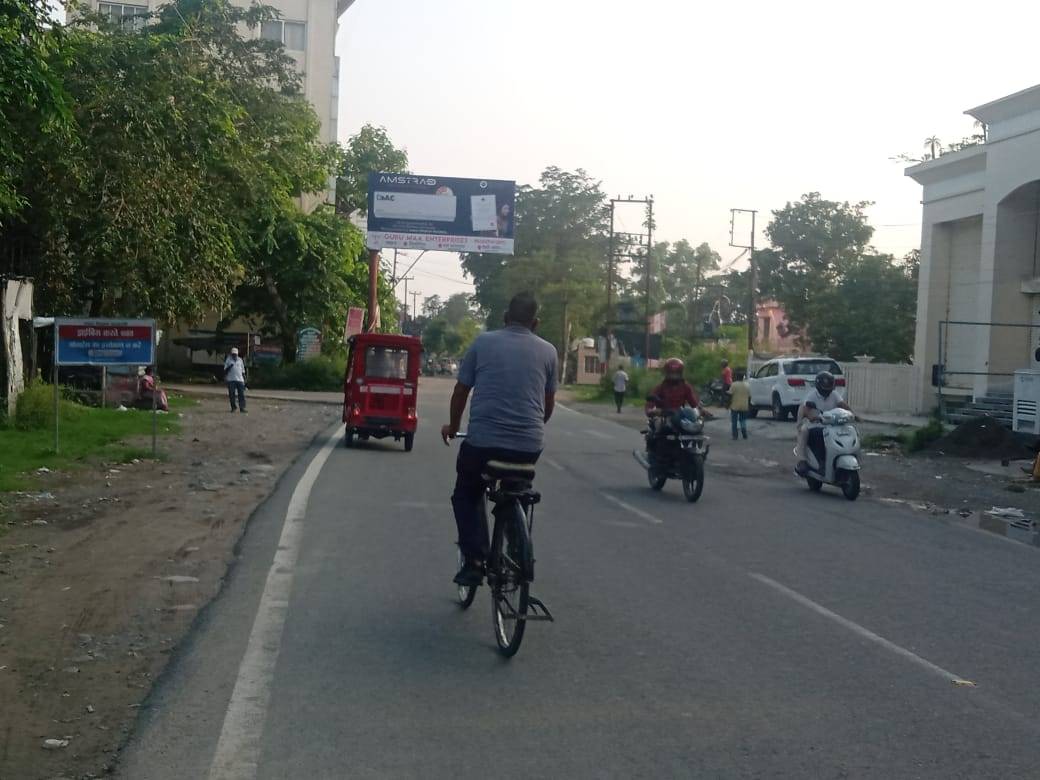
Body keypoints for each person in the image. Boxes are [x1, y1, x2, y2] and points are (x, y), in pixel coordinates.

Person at [441, 292, 557, 587]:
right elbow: (548, 405)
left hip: (483, 444)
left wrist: (453, 426)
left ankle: (476, 560)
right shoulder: (549, 352)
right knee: (518, 486)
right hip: (529, 445)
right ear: (536, 323)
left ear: (505, 318)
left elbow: (460, 391)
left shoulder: (483, 342)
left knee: (467, 492)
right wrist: (528, 429)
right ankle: (517, 546)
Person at [795, 371, 853, 475]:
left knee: (847, 432)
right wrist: (812, 416)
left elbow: (842, 404)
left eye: (829, 385)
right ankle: (802, 461)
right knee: (805, 432)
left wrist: (853, 414)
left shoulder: (834, 394)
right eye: (824, 386)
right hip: (814, 425)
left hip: (831, 425)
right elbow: (806, 409)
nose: (827, 389)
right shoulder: (811, 395)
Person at [728, 369, 750, 440]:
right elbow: (749, 396)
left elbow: (730, 394)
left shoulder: (734, 384)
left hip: (735, 406)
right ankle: (744, 434)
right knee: (743, 420)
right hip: (744, 406)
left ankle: (735, 436)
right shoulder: (747, 385)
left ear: (737, 377)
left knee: (734, 421)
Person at [224, 347, 247, 413]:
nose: (234, 356)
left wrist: (245, 379)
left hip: (240, 380)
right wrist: (229, 367)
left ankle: (242, 408)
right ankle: (233, 408)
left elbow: (243, 370)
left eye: (235, 354)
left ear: (237, 354)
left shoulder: (240, 360)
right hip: (231, 380)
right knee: (232, 394)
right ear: (231, 354)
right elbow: (225, 370)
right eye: (233, 354)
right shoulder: (228, 360)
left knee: (241, 394)